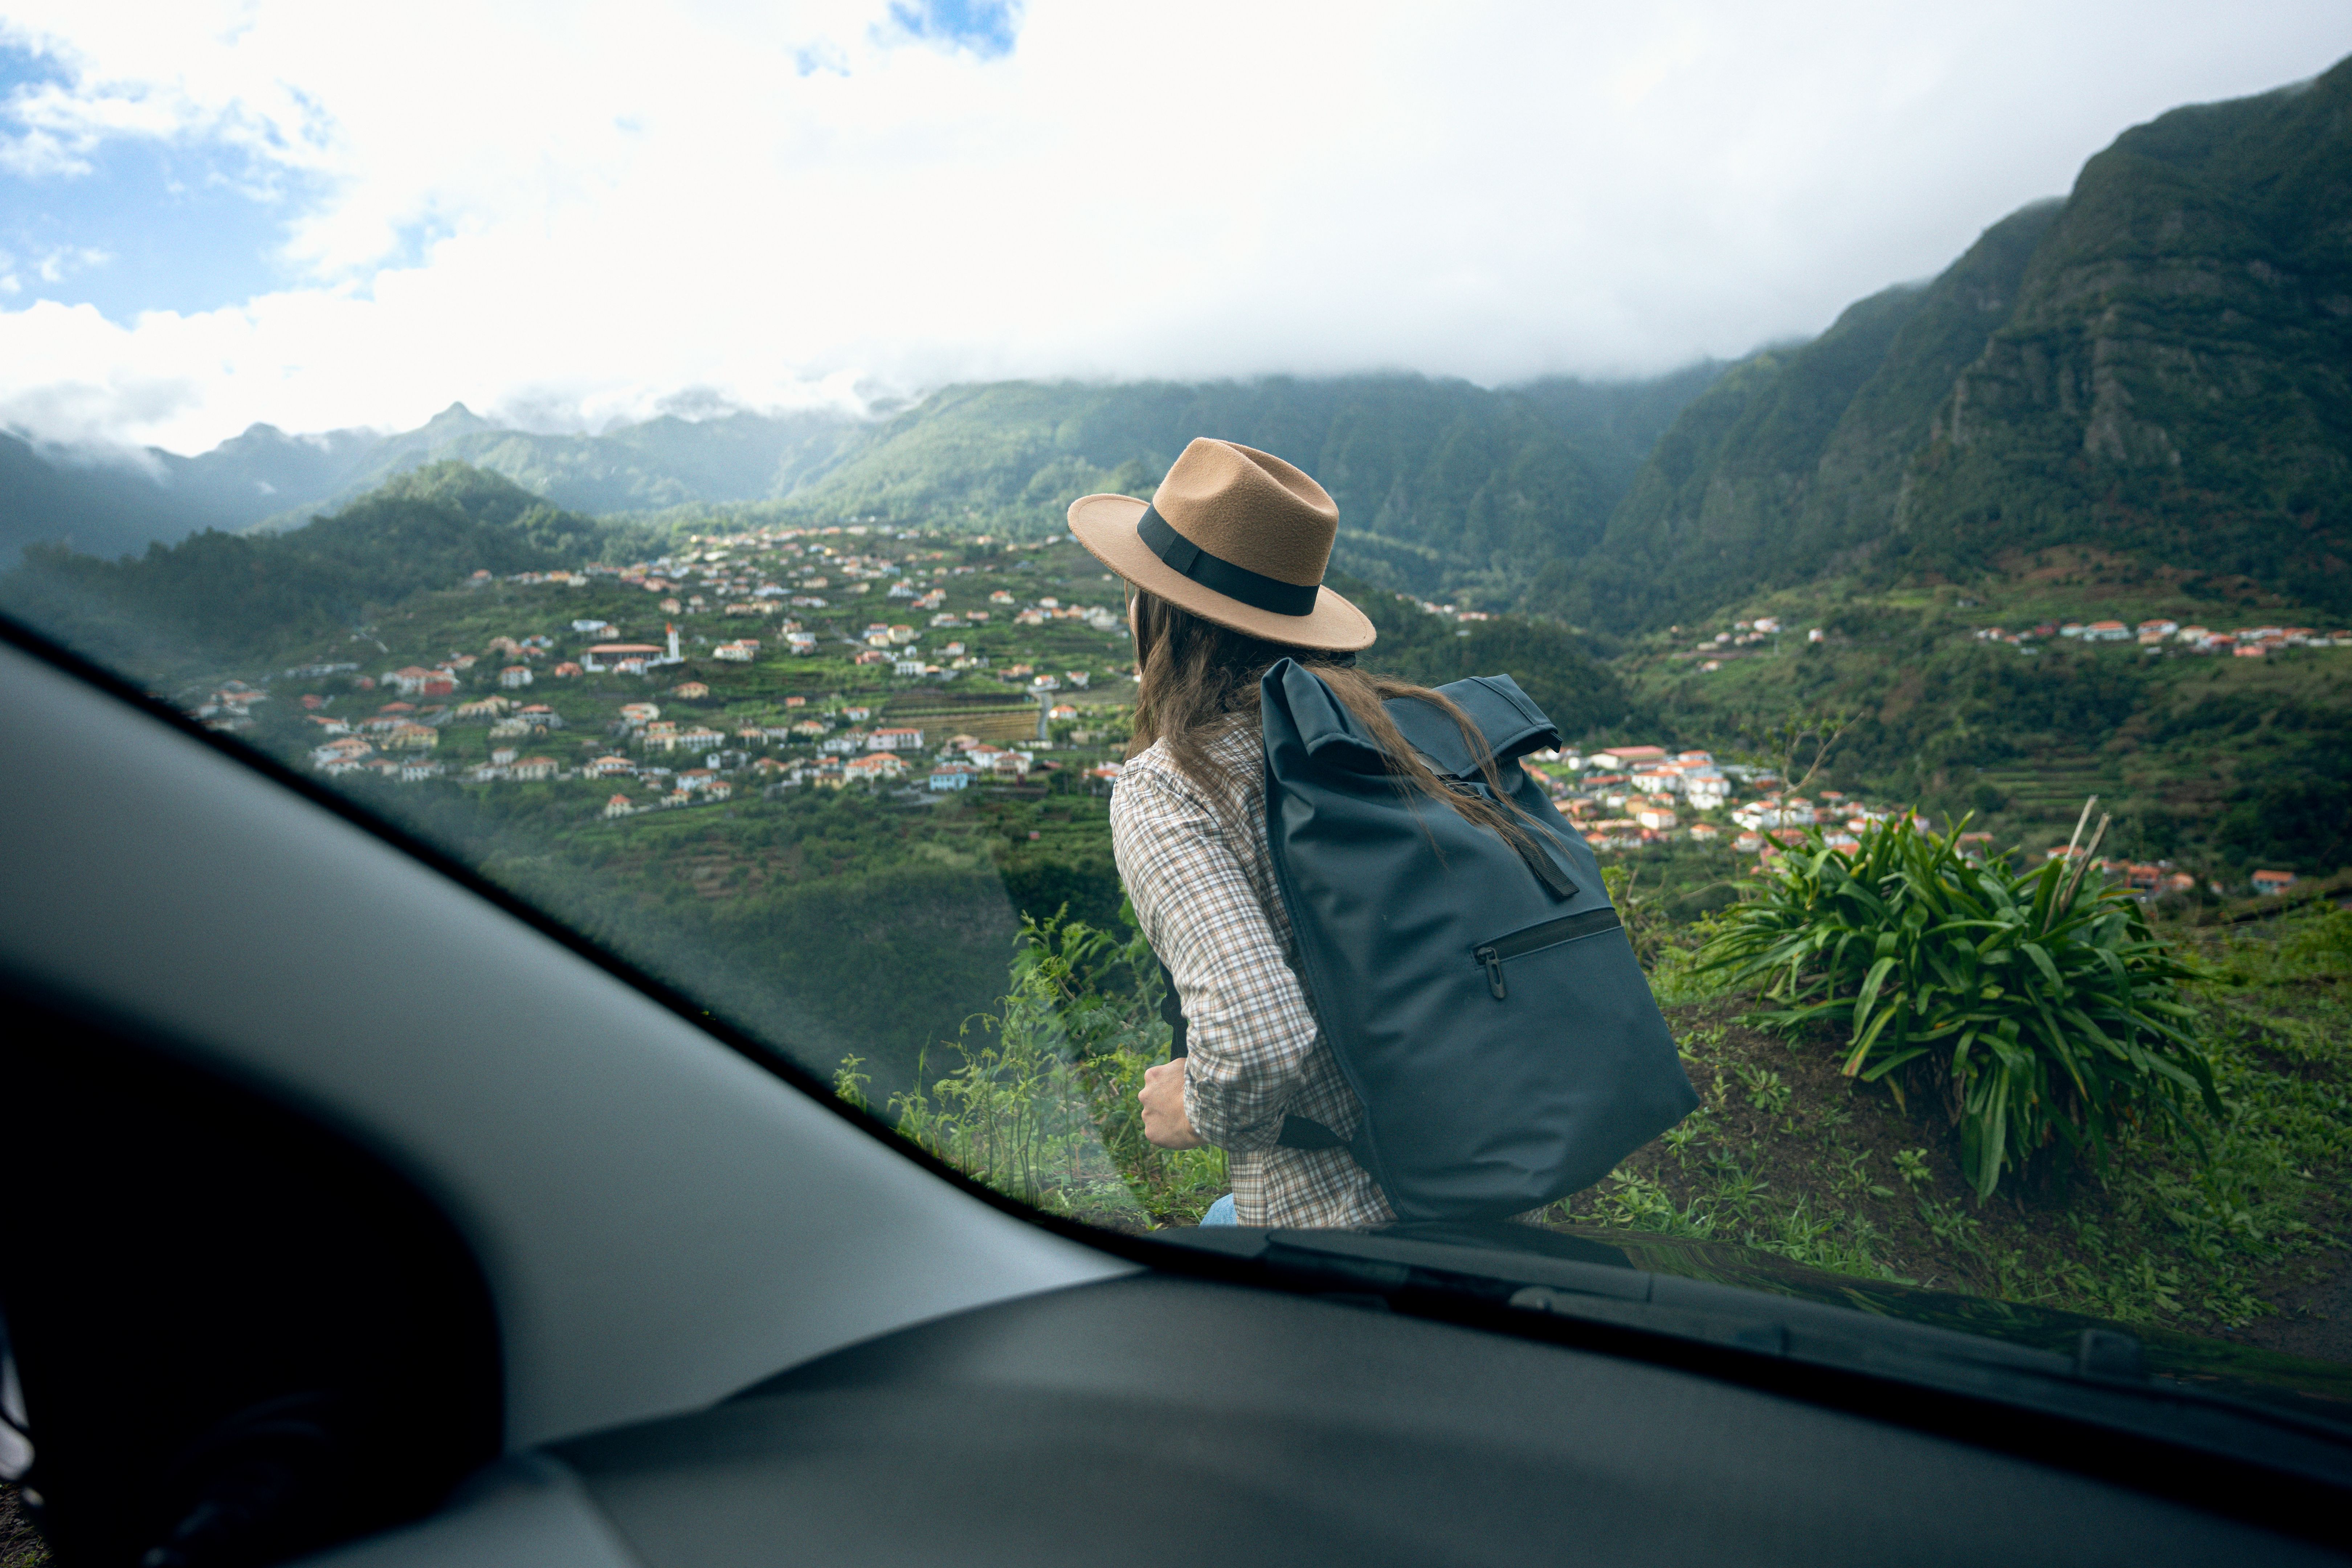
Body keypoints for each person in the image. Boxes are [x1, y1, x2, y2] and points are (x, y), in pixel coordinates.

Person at [1068, 438, 1544, 1229]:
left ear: (1161, 613)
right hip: (1494, 1179)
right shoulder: (1398, 734)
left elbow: (1260, 1039)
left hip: (1342, 1232)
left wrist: (1194, 1106)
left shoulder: (1172, 786)